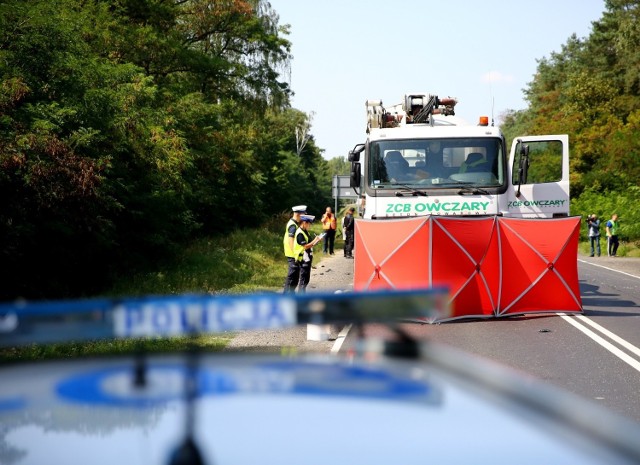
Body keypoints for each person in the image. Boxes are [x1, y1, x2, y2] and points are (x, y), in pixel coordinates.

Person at [293, 214, 323, 292]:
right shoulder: (299, 233)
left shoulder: (305, 231)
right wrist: (314, 240)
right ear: (304, 223)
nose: (309, 225)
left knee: (306, 280)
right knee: (303, 280)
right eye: (309, 223)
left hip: (307, 258)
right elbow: (305, 246)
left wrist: (317, 240)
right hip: (303, 259)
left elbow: (310, 244)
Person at [283, 205, 306, 293]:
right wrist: (295, 253)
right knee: (292, 276)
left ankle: (291, 294)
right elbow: (290, 240)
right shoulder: (292, 225)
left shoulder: (294, 223)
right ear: (298, 214)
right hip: (292, 254)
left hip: (293, 254)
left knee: (295, 276)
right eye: (303, 215)